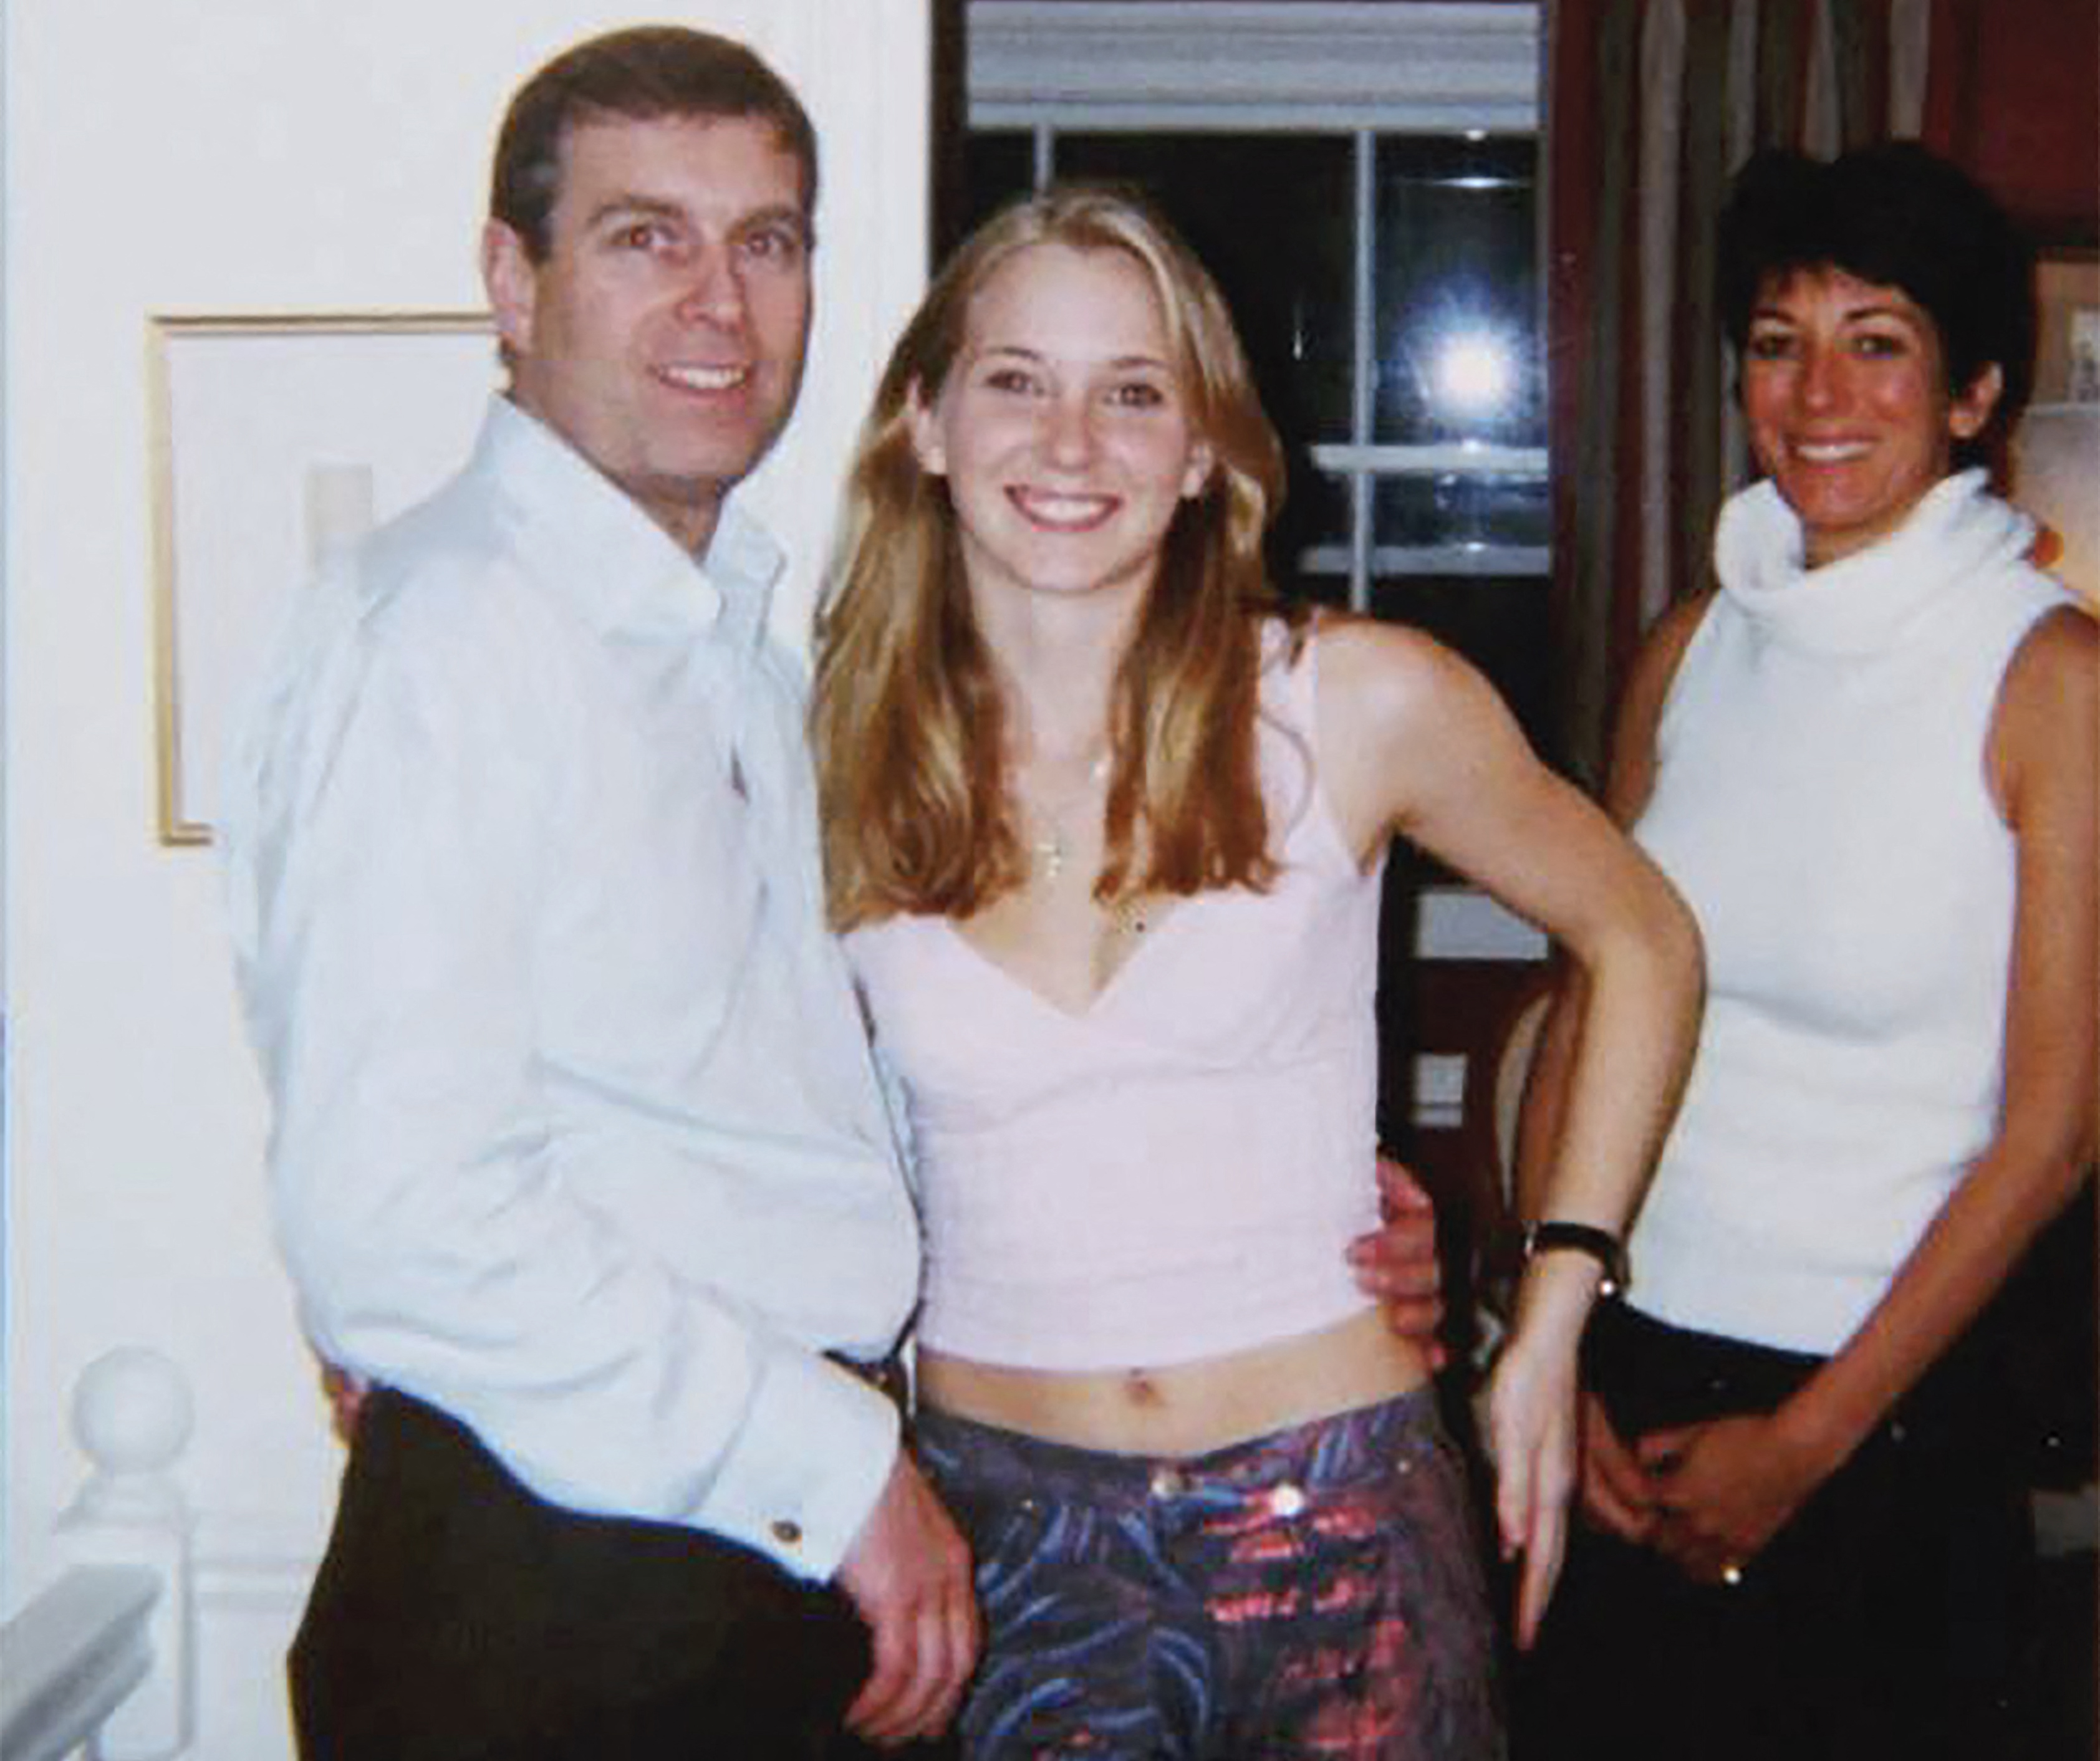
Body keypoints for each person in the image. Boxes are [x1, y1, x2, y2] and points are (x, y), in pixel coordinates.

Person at [221, 30, 1445, 1761]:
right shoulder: (440, 638)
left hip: (770, 1561)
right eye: (647, 237)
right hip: (570, 1580)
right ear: (513, 276)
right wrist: (837, 1467)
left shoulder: (753, 657)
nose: (720, 304)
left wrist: (1299, 1205)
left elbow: (821, 1101)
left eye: (770, 242)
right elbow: (400, 1215)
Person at [811, 185, 1703, 1760]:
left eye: (1133, 392)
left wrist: (1551, 1312)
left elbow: (1641, 935)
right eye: (1017, 379)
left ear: (1204, 451)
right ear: (925, 423)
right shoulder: (825, 754)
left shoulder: (1353, 702)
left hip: (1342, 1518)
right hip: (1002, 1548)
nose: (1071, 442)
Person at [1513, 142, 2097, 1761]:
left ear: (1975, 393)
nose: (1817, 390)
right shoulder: (1692, 645)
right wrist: (1548, 1339)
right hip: (1628, 1373)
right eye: (1777, 341)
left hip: (1887, 1411)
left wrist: (1811, 1441)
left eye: (1878, 339)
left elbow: (2053, 1134)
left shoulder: (2052, 684)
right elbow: (1589, 1008)